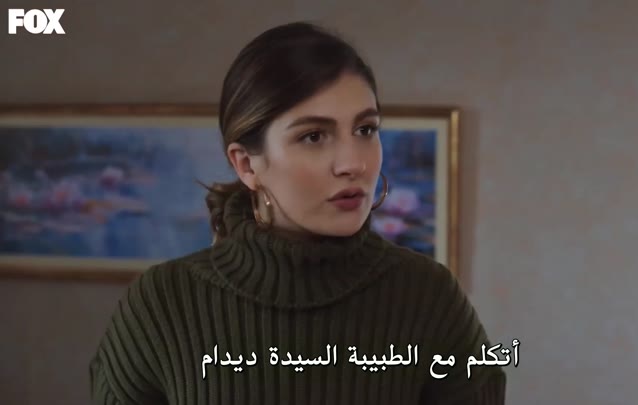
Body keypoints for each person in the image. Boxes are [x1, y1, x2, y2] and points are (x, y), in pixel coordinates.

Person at [89, 21, 506, 404]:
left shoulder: (429, 298)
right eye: (313, 136)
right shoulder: (162, 305)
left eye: (365, 130)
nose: (353, 163)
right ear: (247, 165)